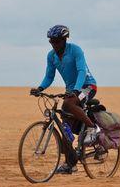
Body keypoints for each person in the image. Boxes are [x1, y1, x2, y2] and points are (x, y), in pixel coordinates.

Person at [30, 25, 100, 174]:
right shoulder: (51, 56)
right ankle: (70, 163)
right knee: (64, 127)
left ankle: (92, 127)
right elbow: (49, 76)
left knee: (68, 103)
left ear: (64, 40)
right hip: (71, 90)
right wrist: (40, 88)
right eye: (51, 42)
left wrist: (75, 89)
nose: (54, 45)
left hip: (87, 86)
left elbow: (81, 71)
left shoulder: (75, 50)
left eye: (57, 41)